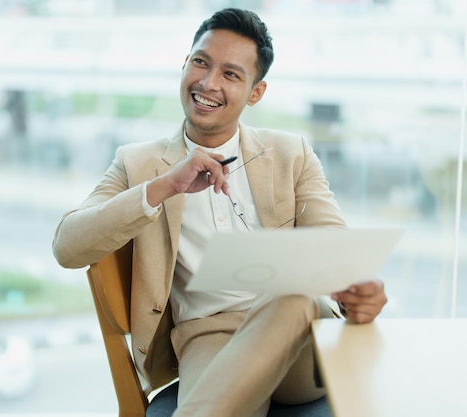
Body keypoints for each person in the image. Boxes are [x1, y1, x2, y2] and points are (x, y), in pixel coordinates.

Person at [53, 8, 387, 417]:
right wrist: (164, 186)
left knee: (293, 294)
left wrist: (358, 285)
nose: (208, 83)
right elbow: (67, 247)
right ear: (184, 64)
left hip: (300, 335)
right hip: (208, 335)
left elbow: (334, 247)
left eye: (231, 74)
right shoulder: (137, 164)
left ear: (255, 92)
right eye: (200, 62)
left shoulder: (291, 153)